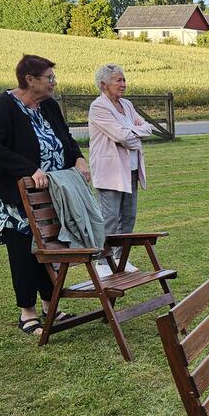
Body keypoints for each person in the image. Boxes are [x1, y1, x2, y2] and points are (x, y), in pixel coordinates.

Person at [0, 55, 92, 335]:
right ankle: (27, 312)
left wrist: (78, 158)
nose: (54, 83)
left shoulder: (49, 105)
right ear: (30, 80)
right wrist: (28, 169)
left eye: (54, 78)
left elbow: (65, 137)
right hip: (15, 195)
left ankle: (52, 305)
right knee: (24, 250)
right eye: (49, 78)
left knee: (49, 246)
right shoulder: (5, 106)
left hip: (51, 190)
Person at [88, 64, 153, 273]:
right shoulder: (99, 107)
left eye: (124, 80)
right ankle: (103, 261)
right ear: (103, 84)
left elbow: (147, 128)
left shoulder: (127, 104)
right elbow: (122, 136)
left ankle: (120, 259)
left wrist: (130, 133)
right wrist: (133, 134)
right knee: (110, 217)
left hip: (130, 170)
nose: (123, 84)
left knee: (128, 216)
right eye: (118, 80)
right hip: (110, 171)